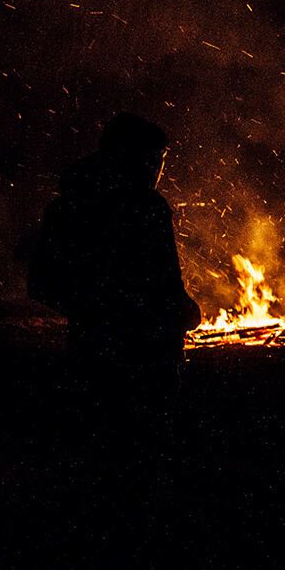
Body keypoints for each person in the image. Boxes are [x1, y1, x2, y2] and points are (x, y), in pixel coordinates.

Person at [29, 113, 202, 400]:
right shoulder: (146, 208)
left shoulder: (66, 205)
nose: (156, 169)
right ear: (126, 156)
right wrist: (160, 315)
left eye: (160, 160)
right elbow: (163, 281)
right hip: (146, 358)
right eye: (152, 158)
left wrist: (89, 316)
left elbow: (41, 283)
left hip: (90, 353)